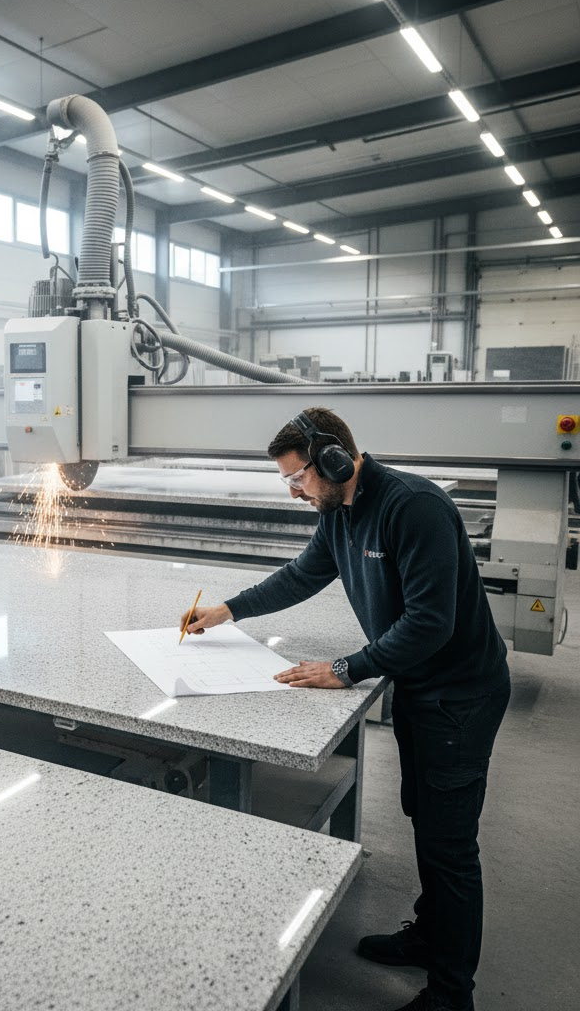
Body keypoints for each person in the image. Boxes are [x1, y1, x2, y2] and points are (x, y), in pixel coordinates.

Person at [181, 408, 509, 1011]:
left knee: (450, 844)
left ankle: (450, 994)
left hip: (461, 693)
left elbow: (431, 623)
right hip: (420, 686)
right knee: (426, 817)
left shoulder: (415, 508)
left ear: (334, 460)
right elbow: (302, 576)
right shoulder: (340, 513)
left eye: (298, 478)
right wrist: (225, 610)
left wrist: (345, 668)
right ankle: (432, 936)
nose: (295, 491)